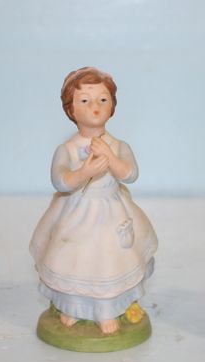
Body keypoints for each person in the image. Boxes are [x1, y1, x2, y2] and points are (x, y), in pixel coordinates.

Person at [30, 67, 158, 334]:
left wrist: (110, 157)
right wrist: (85, 172)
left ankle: (106, 310)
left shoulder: (119, 145)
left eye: (102, 99)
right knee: (74, 261)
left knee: (108, 262)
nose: (95, 107)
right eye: (85, 101)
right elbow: (60, 181)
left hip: (111, 210)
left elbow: (131, 174)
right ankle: (73, 307)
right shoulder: (66, 149)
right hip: (76, 212)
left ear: (112, 105)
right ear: (70, 108)